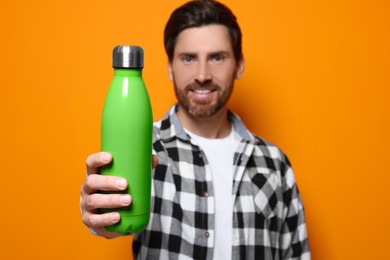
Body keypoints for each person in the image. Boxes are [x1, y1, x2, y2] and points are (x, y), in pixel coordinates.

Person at [80, 0, 310, 259]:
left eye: (217, 57)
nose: (202, 74)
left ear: (239, 65)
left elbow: (296, 253)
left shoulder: (274, 162)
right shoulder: (145, 146)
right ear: (169, 67)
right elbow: (109, 221)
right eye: (188, 58)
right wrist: (99, 214)